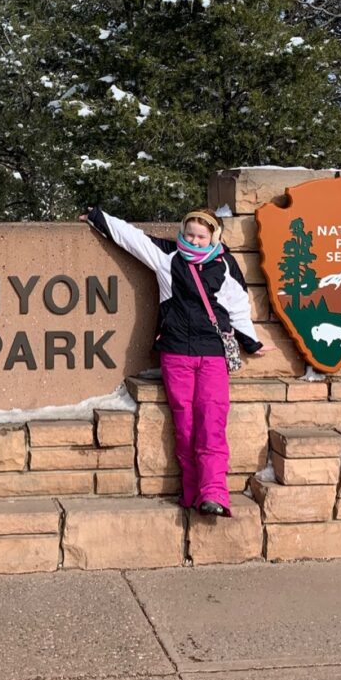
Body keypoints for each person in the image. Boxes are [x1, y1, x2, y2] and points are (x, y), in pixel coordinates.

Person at [79, 205, 272, 517]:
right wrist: (99, 218)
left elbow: (238, 306)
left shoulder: (224, 264)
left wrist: (251, 342)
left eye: (201, 236)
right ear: (183, 232)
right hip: (176, 353)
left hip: (212, 354)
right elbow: (131, 239)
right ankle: (194, 493)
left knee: (211, 421)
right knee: (184, 426)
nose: (194, 241)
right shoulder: (167, 256)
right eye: (190, 234)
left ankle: (214, 492)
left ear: (214, 236)